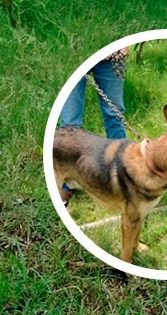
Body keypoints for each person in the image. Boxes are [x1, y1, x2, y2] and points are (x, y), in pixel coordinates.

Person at [58, 48, 129, 204]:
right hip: (74, 51)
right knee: (69, 125)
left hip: (112, 54)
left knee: (114, 115)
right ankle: (66, 182)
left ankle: (125, 175)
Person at [59, 48, 129, 139]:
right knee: (69, 125)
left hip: (112, 55)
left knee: (115, 117)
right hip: (74, 53)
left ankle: (120, 152)